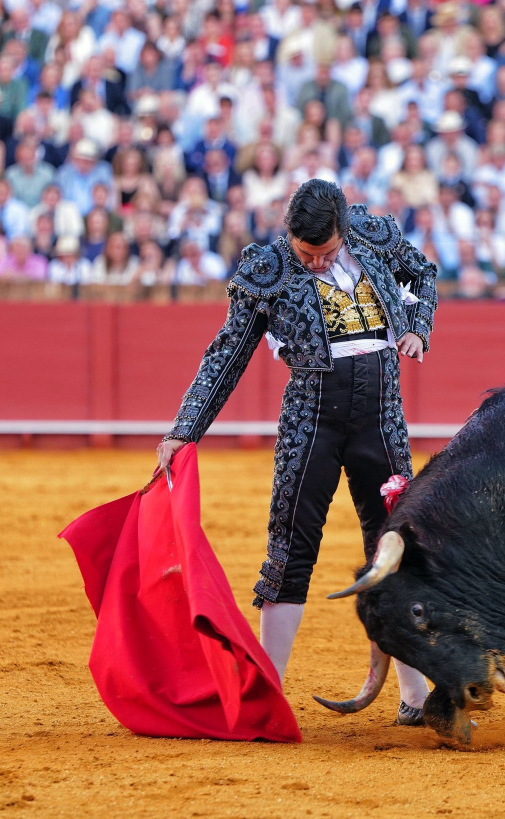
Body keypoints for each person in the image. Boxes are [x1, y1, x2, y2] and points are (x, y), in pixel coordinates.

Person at [153, 180, 438, 725]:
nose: (314, 262)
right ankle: (268, 693)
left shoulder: (373, 236)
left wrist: (419, 329)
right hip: (312, 419)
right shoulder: (268, 270)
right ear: (288, 233)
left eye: (326, 252)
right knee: (290, 548)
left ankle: (416, 696)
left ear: (342, 230)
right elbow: (226, 356)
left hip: (382, 416)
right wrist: (184, 430)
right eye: (305, 253)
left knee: (396, 545)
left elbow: (423, 273)